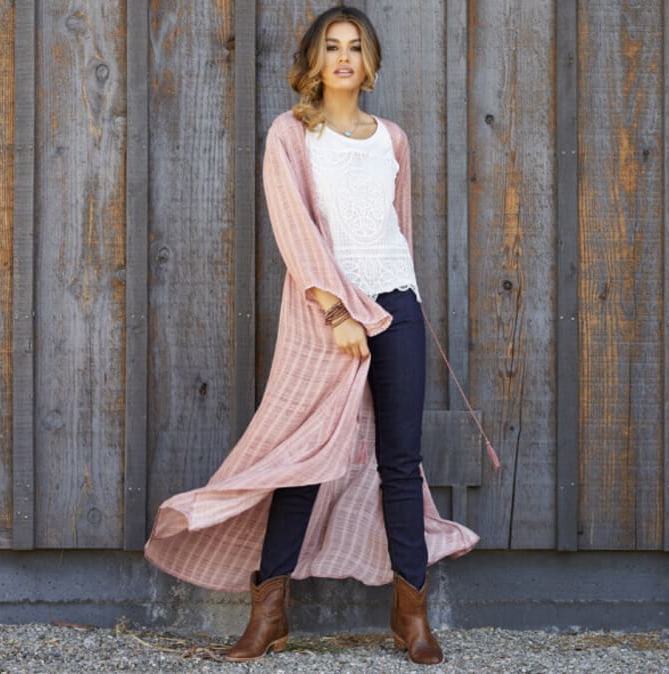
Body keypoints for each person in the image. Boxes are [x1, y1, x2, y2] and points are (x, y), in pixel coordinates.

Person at [142, 4, 488, 666]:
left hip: (399, 307)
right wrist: (337, 312)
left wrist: (398, 305)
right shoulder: (292, 135)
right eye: (331, 46)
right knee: (304, 458)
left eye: (356, 47)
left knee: (400, 460)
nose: (344, 57)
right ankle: (268, 616)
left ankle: (410, 615)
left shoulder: (393, 138)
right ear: (314, 62)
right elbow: (296, 233)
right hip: (330, 315)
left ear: (372, 64)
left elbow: (398, 230)